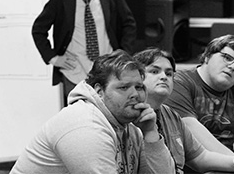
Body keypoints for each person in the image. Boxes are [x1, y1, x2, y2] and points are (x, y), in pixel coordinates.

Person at [10, 50, 174, 174]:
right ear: (99, 91)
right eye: (123, 87)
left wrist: (151, 133)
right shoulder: (84, 126)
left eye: (138, 87)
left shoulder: (131, 128)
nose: (135, 94)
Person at [133, 47, 234, 174]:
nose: (164, 77)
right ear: (137, 78)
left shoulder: (171, 115)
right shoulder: (128, 118)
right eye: (155, 71)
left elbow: (201, 157)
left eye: (169, 73)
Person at [32, 0, 137, 106]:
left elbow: (129, 24)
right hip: (74, 71)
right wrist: (53, 58)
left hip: (108, 70)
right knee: (77, 119)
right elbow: (38, 29)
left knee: (110, 116)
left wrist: (123, 54)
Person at [165, 34, 234, 165]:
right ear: (207, 56)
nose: (232, 66)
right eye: (227, 58)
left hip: (227, 168)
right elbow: (192, 131)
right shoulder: (179, 83)